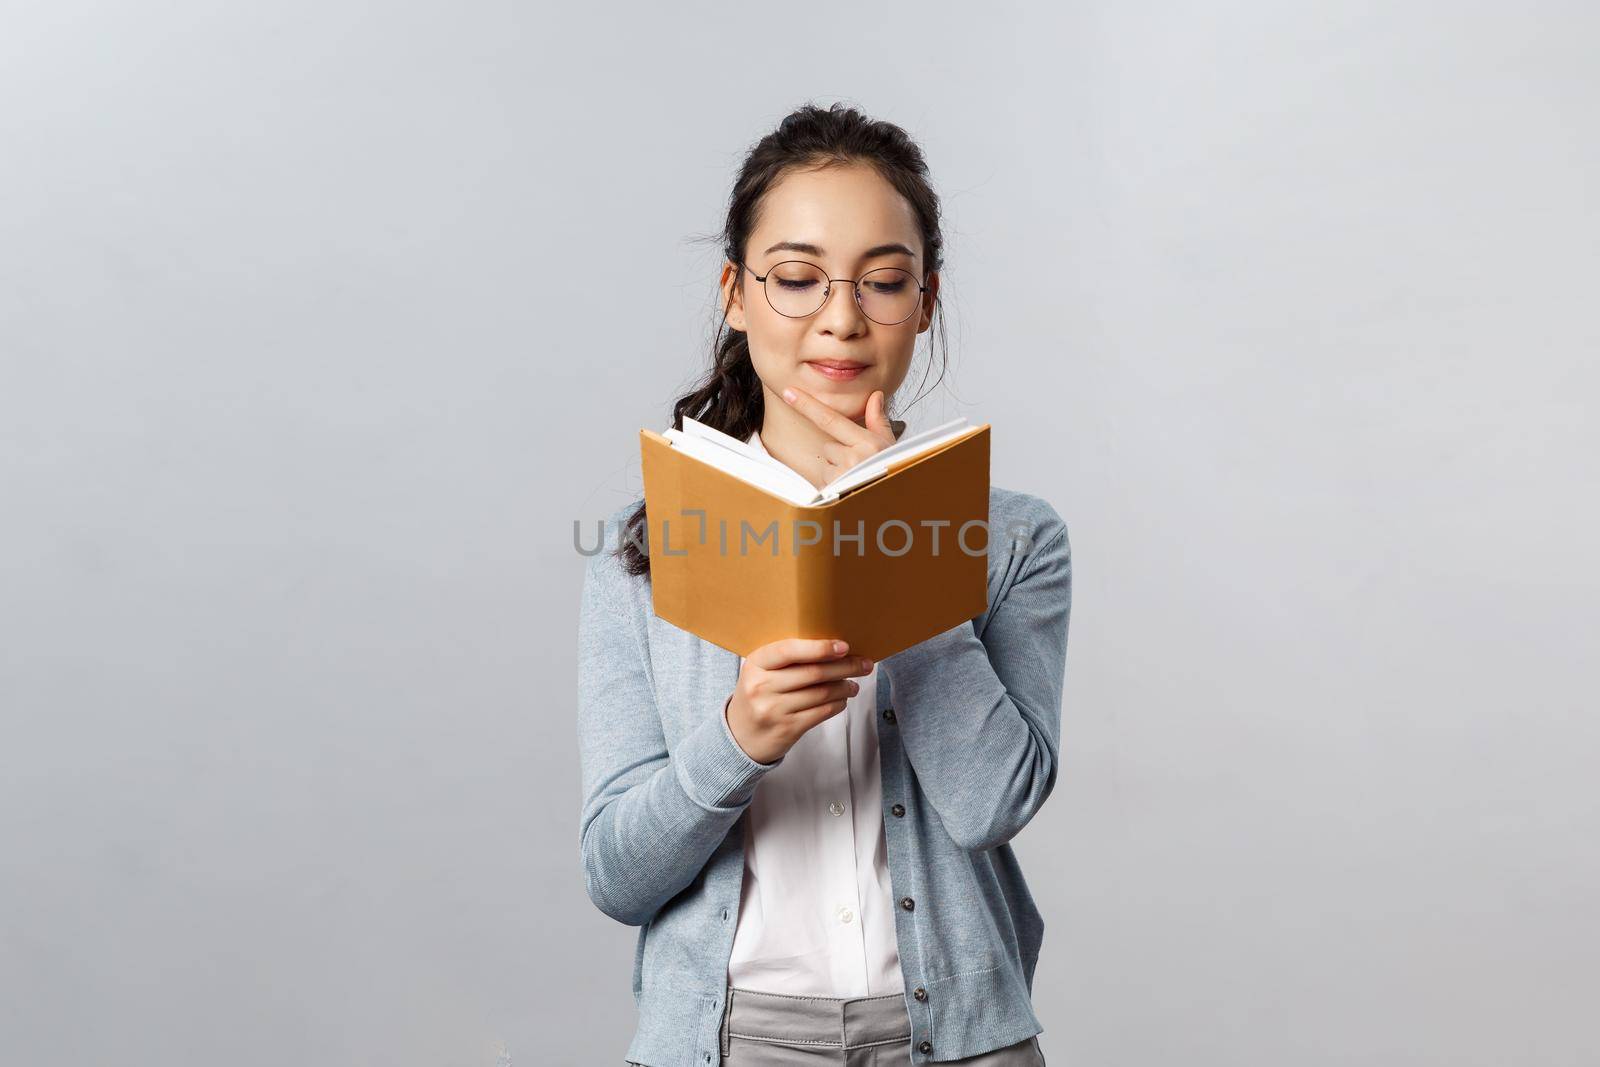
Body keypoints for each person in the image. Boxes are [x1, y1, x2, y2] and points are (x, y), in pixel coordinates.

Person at [577, 102, 1071, 1066]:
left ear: (925, 301)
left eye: (883, 282)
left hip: (959, 1040)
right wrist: (736, 742)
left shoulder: (1013, 536)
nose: (841, 318)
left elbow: (993, 804)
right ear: (736, 291)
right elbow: (615, 875)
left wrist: (901, 539)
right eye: (797, 279)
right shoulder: (642, 550)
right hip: (727, 1043)